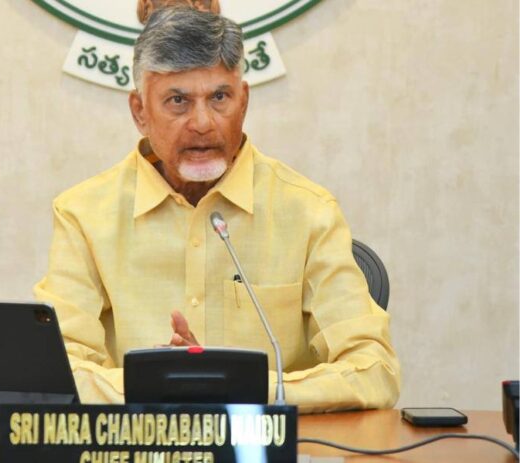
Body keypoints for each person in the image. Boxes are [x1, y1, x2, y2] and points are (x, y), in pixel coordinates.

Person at [34, 7, 401, 412]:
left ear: (243, 102)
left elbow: (374, 370)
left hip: (265, 441)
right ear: (140, 112)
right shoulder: (83, 216)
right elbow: (55, 371)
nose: (203, 123)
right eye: (178, 101)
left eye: (219, 98)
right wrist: (166, 388)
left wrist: (240, 389)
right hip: (136, 441)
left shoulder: (308, 212)